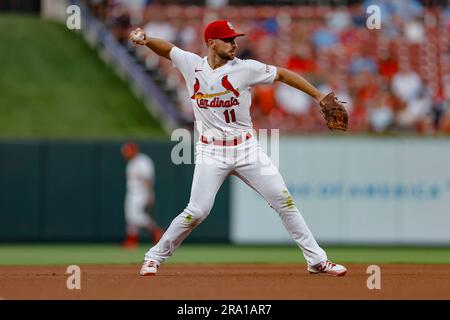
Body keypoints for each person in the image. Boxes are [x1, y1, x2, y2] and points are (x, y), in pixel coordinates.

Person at [130, 20, 347, 276]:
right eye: (228, 39)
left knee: (283, 200)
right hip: (210, 151)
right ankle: (154, 257)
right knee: (197, 211)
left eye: (235, 39)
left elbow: (283, 74)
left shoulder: (246, 69)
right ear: (211, 43)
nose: (235, 44)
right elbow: (167, 50)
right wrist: (146, 39)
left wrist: (319, 96)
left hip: (246, 149)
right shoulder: (192, 65)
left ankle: (317, 260)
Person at [121, 142, 164, 250]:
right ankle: (131, 241)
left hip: (142, 193)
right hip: (132, 193)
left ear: (134, 150)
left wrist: (149, 194)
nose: (126, 154)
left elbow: (148, 179)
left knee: (136, 217)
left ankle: (156, 231)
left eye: (128, 151)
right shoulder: (131, 163)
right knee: (130, 218)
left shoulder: (143, 161)